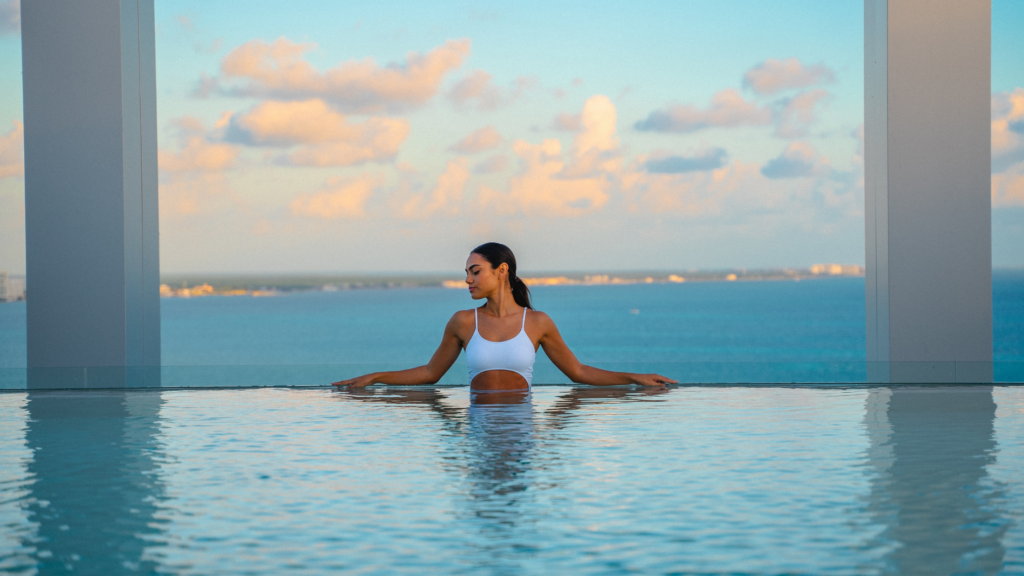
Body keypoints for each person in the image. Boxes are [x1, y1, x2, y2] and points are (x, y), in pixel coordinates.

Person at [332, 242, 677, 390]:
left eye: (475, 271)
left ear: (501, 271)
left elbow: (579, 372)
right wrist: (375, 377)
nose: (467, 279)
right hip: (478, 431)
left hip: (521, 432)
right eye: (466, 272)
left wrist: (635, 377)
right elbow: (429, 373)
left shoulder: (538, 322)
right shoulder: (463, 322)